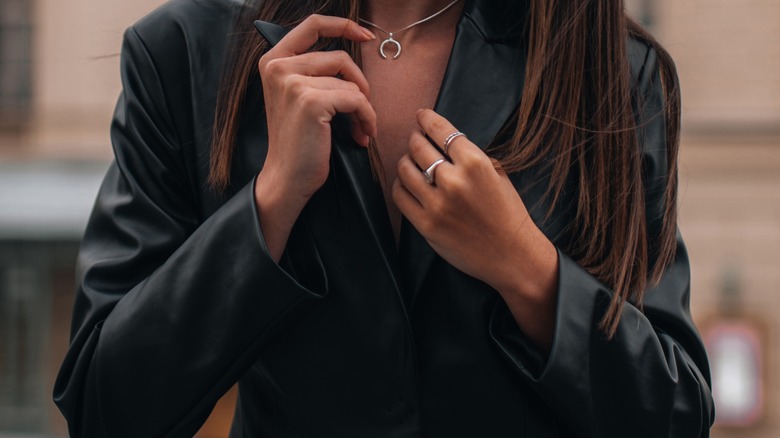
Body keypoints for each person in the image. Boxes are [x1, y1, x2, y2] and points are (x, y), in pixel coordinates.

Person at [54, 0, 715, 436]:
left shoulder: (609, 70)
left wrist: (526, 267)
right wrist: (271, 202)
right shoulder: (185, 52)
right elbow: (103, 407)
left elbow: (674, 412)